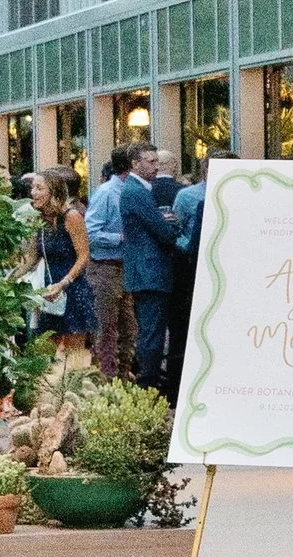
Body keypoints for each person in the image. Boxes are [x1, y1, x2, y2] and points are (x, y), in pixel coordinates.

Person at [115, 148, 184, 393]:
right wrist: (170, 225)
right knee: (152, 333)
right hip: (149, 272)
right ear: (135, 163)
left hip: (146, 272)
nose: (156, 166)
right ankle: (148, 386)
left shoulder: (138, 189)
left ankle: (149, 382)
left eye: (157, 161)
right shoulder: (136, 191)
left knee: (150, 331)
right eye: (151, 161)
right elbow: (163, 233)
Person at [26, 170, 94, 363]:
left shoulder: (71, 216)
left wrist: (64, 282)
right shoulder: (38, 219)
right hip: (49, 292)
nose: (33, 193)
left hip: (73, 289)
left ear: (53, 192)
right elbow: (31, 259)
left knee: (74, 360)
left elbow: (83, 256)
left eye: (39, 188)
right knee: (43, 355)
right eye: (32, 187)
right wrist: (10, 280)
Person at [84, 149, 137, 380]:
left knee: (129, 327)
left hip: (125, 267)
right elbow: (90, 232)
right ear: (133, 166)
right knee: (107, 328)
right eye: (150, 161)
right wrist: (122, 238)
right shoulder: (106, 193)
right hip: (105, 267)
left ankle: (123, 376)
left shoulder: (131, 192)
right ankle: (107, 380)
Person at [161, 159, 206, 395]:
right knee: (184, 326)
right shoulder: (188, 196)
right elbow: (175, 231)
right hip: (189, 269)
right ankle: (178, 384)